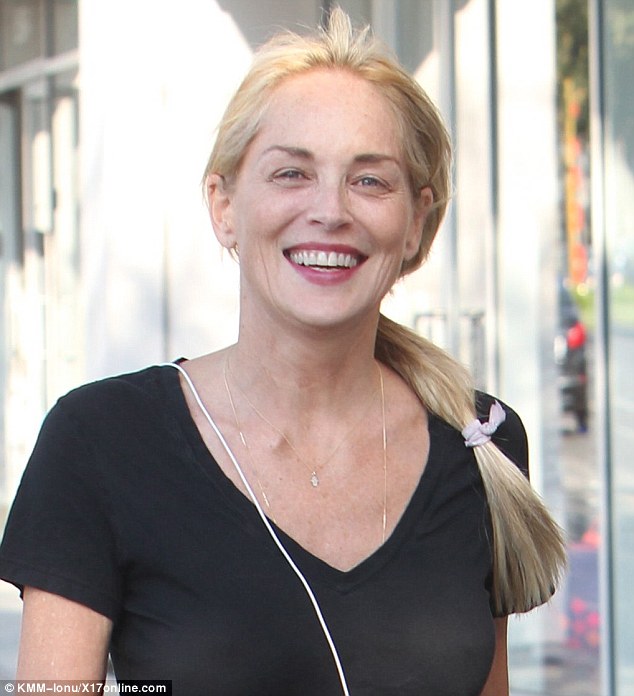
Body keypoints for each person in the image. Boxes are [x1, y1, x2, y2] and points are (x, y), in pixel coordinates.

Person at [0, 8, 565, 695]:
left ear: (416, 221)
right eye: (292, 173)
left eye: (369, 180)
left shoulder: (479, 443)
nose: (331, 210)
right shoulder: (100, 442)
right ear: (224, 204)